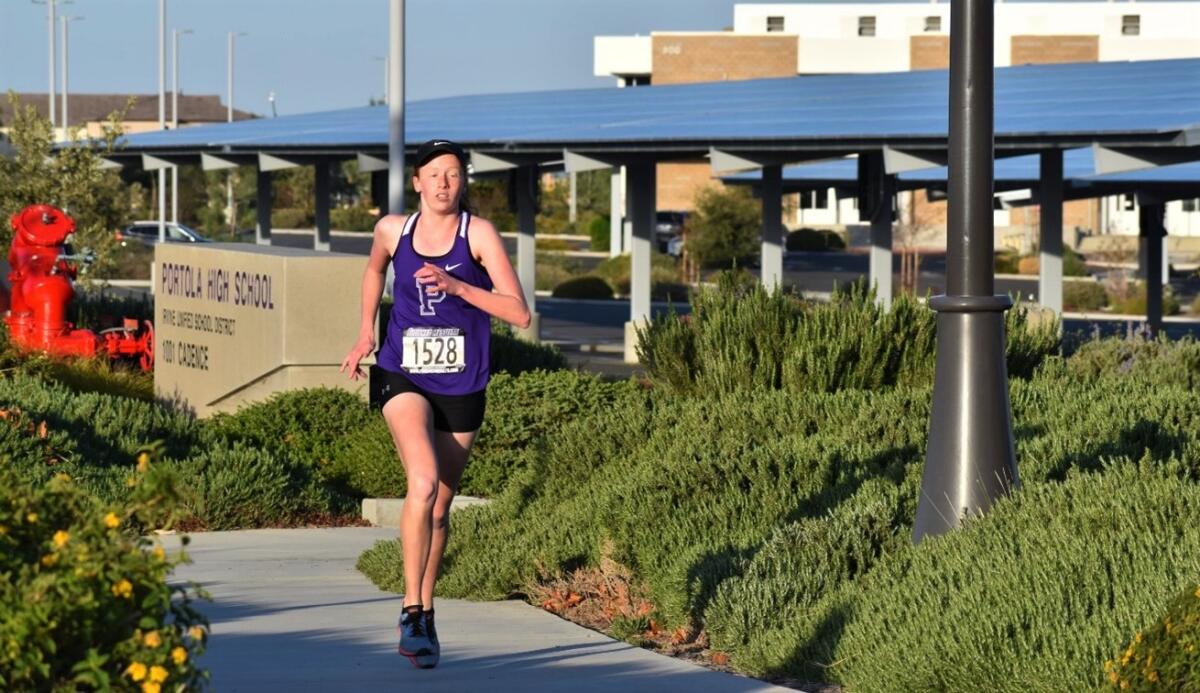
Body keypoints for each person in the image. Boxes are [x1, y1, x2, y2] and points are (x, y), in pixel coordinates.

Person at [340, 139, 530, 669]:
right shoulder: (391, 230)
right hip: (402, 373)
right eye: (434, 174)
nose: (444, 183)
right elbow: (374, 270)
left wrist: (457, 286)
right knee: (421, 482)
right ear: (417, 183)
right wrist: (363, 334)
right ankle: (409, 607)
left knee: (440, 507)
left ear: (462, 182)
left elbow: (519, 314)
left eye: (453, 174)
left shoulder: (479, 235)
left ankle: (426, 614)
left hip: (463, 383)